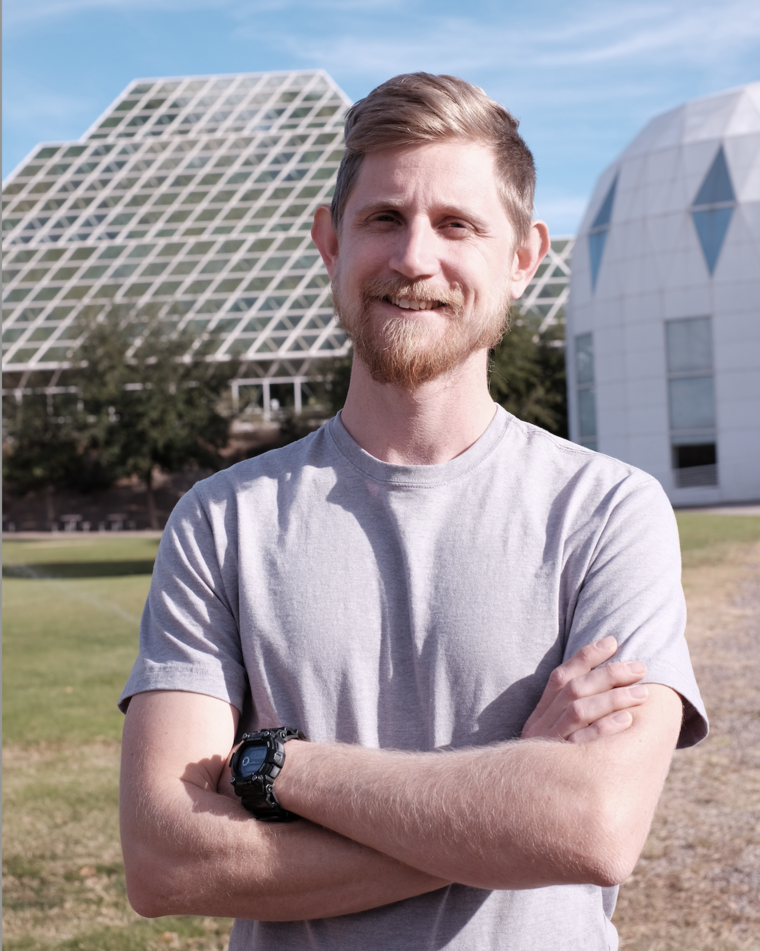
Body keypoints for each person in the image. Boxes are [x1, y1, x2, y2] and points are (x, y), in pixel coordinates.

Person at [119, 73, 707, 951]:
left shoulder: (609, 513)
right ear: (330, 241)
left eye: (457, 225)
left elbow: (594, 828)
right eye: (384, 218)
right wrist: (509, 804)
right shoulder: (220, 521)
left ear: (523, 257)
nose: (415, 259)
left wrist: (277, 767)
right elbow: (167, 863)